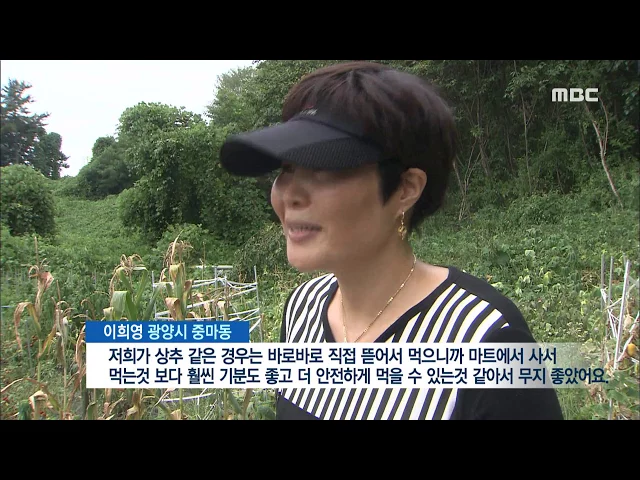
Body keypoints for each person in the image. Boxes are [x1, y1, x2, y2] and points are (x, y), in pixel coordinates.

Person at [219, 61, 564, 420]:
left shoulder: (486, 338)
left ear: (405, 189)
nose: (289, 195)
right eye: (287, 169)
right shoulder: (302, 308)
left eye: (324, 169)